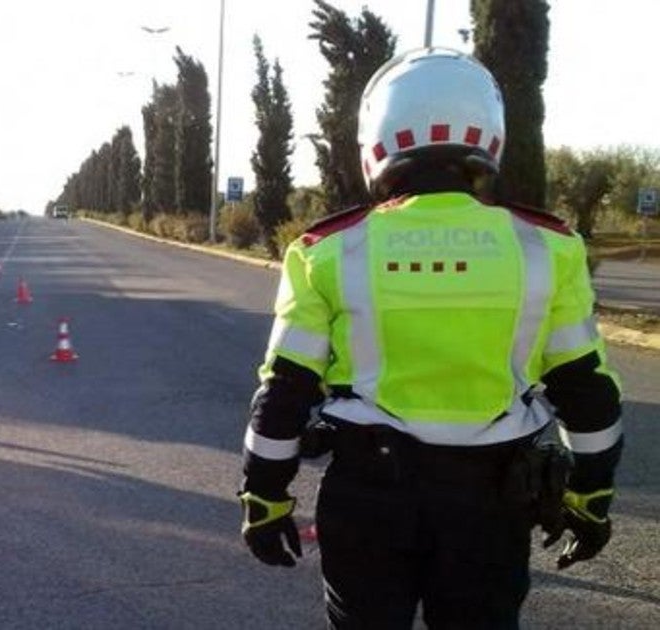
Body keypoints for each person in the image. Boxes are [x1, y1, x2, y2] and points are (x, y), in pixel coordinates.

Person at [238, 48, 623, 629]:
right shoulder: (547, 248)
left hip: (368, 498)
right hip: (491, 506)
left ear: (378, 140)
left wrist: (264, 498)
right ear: (489, 137)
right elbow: (587, 392)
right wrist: (590, 497)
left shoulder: (327, 252)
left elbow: (283, 393)